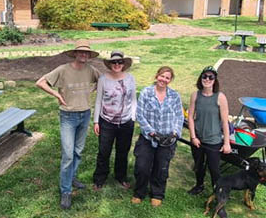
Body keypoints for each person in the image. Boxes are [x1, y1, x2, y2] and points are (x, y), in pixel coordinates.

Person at [36, 43, 100, 210]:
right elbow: (40, 82)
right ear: (75, 53)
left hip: (85, 114)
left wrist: (94, 89)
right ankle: (66, 191)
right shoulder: (63, 69)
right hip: (68, 116)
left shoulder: (91, 70)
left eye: (87, 53)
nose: (84, 55)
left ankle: (71, 177)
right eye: (81, 52)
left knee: (78, 151)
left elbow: (104, 81)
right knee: (68, 154)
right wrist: (56, 94)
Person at [132, 66, 183, 207]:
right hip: (149, 138)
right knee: (142, 166)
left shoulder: (174, 96)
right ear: (156, 76)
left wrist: (175, 133)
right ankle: (139, 192)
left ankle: (157, 193)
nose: (164, 80)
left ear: (170, 80)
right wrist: (152, 132)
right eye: (162, 76)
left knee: (161, 167)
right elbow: (140, 115)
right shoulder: (146, 93)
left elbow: (179, 116)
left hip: (167, 139)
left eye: (167, 78)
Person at [92, 51, 136, 190]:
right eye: (114, 62)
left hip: (126, 121)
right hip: (106, 121)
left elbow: (133, 98)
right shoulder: (103, 79)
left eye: (119, 62)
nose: (117, 64)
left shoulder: (130, 78)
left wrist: (133, 117)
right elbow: (98, 100)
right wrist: (96, 121)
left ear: (124, 64)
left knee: (123, 151)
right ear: (110, 64)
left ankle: (121, 176)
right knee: (104, 151)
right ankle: (100, 179)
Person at [187, 66, 232, 199]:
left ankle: (218, 193)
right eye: (204, 76)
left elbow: (225, 122)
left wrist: (226, 143)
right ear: (200, 78)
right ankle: (199, 185)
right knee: (198, 165)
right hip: (198, 139)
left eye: (210, 77)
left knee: (214, 170)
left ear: (214, 80)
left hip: (214, 140)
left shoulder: (220, 97)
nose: (207, 79)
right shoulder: (195, 95)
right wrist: (193, 136)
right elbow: (190, 116)